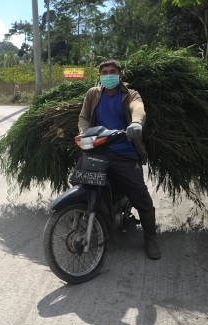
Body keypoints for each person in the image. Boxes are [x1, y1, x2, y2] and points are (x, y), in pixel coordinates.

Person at [75, 59, 161, 260]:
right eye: (104, 72)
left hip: (124, 152)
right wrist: (85, 134)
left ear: (120, 75)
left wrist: (137, 123)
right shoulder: (93, 93)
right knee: (79, 182)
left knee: (140, 195)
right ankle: (90, 220)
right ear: (99, 76)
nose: (108, 75)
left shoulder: (130, 94)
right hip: (98, 149)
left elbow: (137, 108)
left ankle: (150, 238)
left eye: (112, 71)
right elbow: (84, 117)